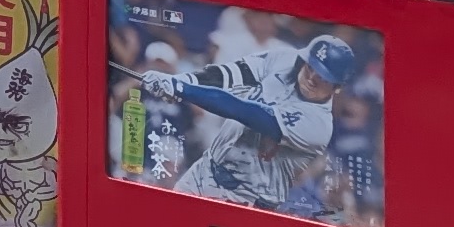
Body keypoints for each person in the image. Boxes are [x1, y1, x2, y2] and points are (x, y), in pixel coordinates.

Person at [144, 29, 357, 204]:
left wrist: (182, 89)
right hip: (204, 171)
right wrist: (179, 80)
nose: (311, 78)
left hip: (248, 197)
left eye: (323, 78)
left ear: (337, 87)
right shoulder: (285, 59)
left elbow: (244, 111)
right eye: (310, 67)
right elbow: (229, 74)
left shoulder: (319, 125)